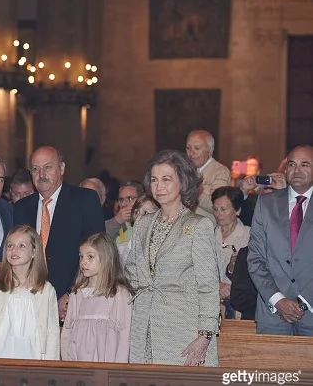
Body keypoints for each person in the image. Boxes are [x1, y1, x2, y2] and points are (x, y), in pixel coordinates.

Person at [126, 149, 219, 366]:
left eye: (167, 179)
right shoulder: (142, 223)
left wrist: (204, 336)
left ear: (184, 183)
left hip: (183, 328)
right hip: (143, 325)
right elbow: (132, 270)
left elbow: (208, 286)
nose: (159, 186)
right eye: (155, 180)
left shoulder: (198, 225)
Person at [13, 146, 105, 321]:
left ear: (61, 168)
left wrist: (71, 293)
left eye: (48, 167)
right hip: (30, 304)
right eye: (35, 169)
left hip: (75, 302)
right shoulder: (21, 208)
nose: (41, 174)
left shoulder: (85, 201)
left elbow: (99, 253)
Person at [248, 145, 313, 335]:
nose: (297, 170)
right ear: (285, 170)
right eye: (292, 164)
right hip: (272, 314)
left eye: (305, 164)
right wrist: (278, 300)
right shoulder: (265, 203)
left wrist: (302, 302)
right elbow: (255, 258)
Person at [0, 225, 59, 359]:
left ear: (34, 252)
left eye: (22, 246)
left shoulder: (45, 289)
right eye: (10, 246)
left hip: (33, 353)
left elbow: (52, 332)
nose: (14, 250)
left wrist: (51, 365)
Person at [61, 232, 132, 363]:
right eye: (81, 256)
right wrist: (67, 363)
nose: (83, 262)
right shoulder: (78, 294)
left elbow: (124, 338)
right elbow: (67, 332)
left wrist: (117, 371)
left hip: (106, 366)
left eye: (90, 257)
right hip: (79, 366)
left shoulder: (118, 294)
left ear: (106, 258)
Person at [211, 186, 250, 319]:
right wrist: (217, 285)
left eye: (223, 209)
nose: (218, 214)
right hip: (209, 304)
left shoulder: (250, 236)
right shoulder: (206, 235)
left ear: (237, 210)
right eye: (215, 209)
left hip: (239, 306)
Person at [185, 130, 231, 223]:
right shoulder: (184, 170)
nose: (191, 153)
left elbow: (216, 205)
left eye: (197, 148)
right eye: (188, 148)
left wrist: (194, 188)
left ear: (210, 151)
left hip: (207, 230)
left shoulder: (221, 171)